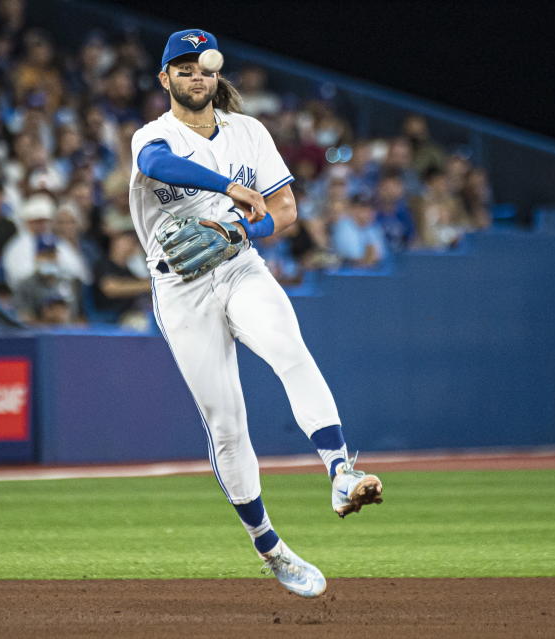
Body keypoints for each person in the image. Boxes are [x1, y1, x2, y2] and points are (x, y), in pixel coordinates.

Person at [128, 29, 383, 598]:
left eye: (205, 68)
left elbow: (285, 209)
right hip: (180, 290)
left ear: (218, 76)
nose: (197, 77)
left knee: (290, 350)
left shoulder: (248, 131)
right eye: (184, 68)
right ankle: (269, 546)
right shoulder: (154, 135)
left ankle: (341, 473)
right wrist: (227, 189)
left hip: (240, 266)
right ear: (165, 78)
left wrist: (241, 225)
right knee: (226, 421)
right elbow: (156, 163)